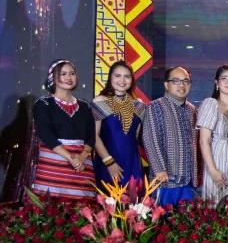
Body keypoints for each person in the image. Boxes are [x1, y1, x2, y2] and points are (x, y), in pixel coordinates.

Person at [31, 59, 96, 200]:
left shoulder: (84, 106)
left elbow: (91, 137)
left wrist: (81, 157)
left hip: (82, 165)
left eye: (72, 73)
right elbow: (45, 134)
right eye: (63, 74)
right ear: (52, 77)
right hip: (54, 164)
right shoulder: (44, 104)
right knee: (52, 209)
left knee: (83, 209)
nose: (68, 77)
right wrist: (72, 159)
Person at [142, 66, 199, 207]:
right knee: (164, 218)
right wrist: (159, 170)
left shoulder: (192, 110)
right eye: (176, 81)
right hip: (166, 180)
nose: (182, 85)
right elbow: (150, 139)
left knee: (188, 218)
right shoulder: (155, 106)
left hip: (188, 180)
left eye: (185, 81)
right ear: (166, 85)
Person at [91, 60, 145, 188]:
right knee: (107, 198)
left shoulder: (139, 104)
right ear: (110, 77)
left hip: (132, 162)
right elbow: (94, 136)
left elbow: (135, 137)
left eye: (127, 76)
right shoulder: (100, 101)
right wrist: (109, 162)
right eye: (118, 75)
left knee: (134, 198)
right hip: (107, 161)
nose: (122, 80)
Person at [197, 64, 228, 205]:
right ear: (217, 83)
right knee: (217, 207)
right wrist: (213, 170)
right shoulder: (211, 104)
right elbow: (204, 141)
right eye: (224, 78)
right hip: (218, 161)